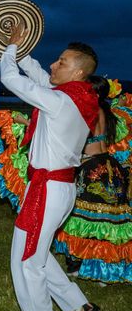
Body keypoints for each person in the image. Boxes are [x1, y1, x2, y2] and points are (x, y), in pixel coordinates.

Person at [0, 21, 101, 311]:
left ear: (79, 73)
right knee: (37, 254)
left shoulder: (59, 101)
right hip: (58, 189)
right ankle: (76, 303)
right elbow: (39, 76)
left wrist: (9, 51)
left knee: (26, 261)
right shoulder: (77, 97)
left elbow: (10, 78)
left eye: (62, 62)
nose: (54, 65)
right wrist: (23, 50)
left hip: (47, 190)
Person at [54, 75, 132, 284]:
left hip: (90, 167)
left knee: (79, 218)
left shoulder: (88, 111)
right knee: (107, 221)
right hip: (111, 166)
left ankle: (78, 265)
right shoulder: (110, 113)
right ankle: (104, 271)